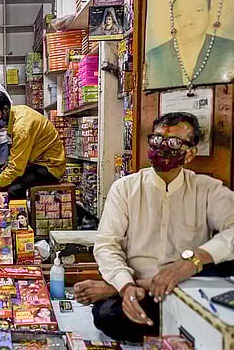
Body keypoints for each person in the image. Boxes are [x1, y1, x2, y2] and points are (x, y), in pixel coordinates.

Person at [73, 112, 234, 344]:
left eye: (174, 142)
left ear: (190, 153)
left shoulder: (206, 190)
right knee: (107, 316)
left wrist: (192, 261)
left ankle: (115, 292)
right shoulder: (125, 189)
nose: (162, 148)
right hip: (139, 292)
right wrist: (126, 286)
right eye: (157, 140)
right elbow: (107, 245)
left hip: (184, 290)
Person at [0, 91, 66, 208]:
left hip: (49, 168)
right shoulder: (16, 112)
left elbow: (15, 169)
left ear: (5, 110)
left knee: (13, 189)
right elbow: (21, 155)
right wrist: (8, 163)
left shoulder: (22, 127)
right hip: (34, 162)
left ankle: (18, 219)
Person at [145, 0, 234, 89]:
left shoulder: (229, 50)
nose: (189, 20)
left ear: (209, 12)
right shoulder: (154, 58)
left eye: (198, 10)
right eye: (180, 14)